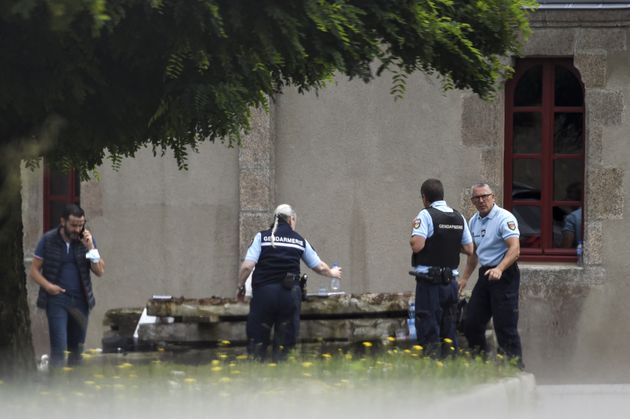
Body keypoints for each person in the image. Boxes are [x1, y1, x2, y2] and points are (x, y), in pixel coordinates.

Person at [236, 204, 342, 361]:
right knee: (285, 345)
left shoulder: (262, 237)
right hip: (289, 296)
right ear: (292, 219)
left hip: (264, 295)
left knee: (257, 342)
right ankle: (283, 372)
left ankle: (256, 372)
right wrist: (332, 273)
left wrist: (241, 287)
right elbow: (319, 266)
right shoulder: (299, 241)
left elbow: (247, 266)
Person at [29, 204, 105, 368]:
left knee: (76, 351)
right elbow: (34, 271)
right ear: (62, 222)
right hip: (57, 300)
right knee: (60, 349)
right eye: (73, 225)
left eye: (81, 224)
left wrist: (90, 247)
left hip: (81, 301)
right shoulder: (48, 240)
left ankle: (74, 388)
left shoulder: (86, 241)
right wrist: (48, 287)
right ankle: (56, 387)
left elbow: (99, 271)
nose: (77, 229)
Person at [458, 183, 523, 367]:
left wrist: (500, 269)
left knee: (505, 326)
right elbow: (473, 255)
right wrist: (464, 278)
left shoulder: (504, 218)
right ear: (472, 201)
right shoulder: (474, 221)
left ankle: (515, 369)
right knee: (471, 323)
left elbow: (515, 249)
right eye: (476, 198)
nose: (481, 201)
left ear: (493, 197)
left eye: (485, 196)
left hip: (505, 274)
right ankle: (483, 363)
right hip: (485, 274)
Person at [410, 179, 473, 357]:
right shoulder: (458, 216)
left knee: (428, 327)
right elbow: (469, 249)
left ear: (425, 197)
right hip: (451, 284)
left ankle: (431, 374)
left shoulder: (425, 215)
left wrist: (413, 231)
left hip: (429, 283)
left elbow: (417, 245)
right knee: (449, 328)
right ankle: (450, 371)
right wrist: (449, 244)